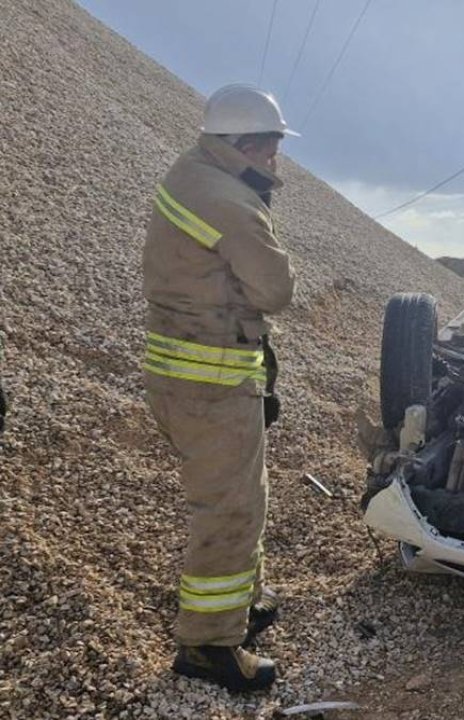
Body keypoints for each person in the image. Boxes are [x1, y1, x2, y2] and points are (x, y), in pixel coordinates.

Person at [142, 83, 297, 692]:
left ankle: (238, 608)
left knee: (243, 498)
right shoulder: (229, 199)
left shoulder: (190, 172)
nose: (276, 162)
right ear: (248, 144)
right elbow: (275, 291)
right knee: (228, 510)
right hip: (212, 387)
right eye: (273, 148)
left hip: (190, 378)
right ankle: (207, 646)